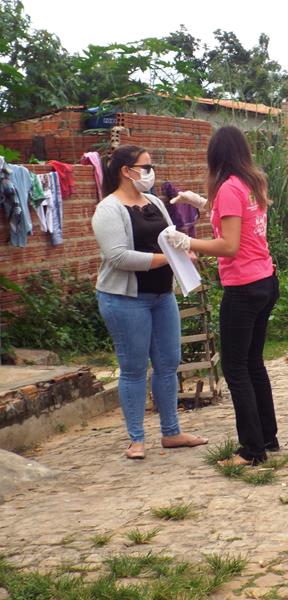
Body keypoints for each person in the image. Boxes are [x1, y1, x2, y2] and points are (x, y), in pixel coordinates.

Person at [166, 126, 279, 465]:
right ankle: (267, 438)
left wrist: (186, 242)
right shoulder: (251, 183)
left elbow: (228, 245)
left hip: (243, 287)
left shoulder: (229, 188)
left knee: (235, 367)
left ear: (215, 156)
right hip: (265, 279)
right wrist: (194, 199)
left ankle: (251, 450)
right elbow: (234, 221)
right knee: (254, 362)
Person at [92, 145, 208, 460]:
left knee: (168, 363)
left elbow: (170, 236)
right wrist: (166, 258)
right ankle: (136, 439)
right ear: (126, 171)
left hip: (161, 295)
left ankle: (171, 432)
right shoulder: (108, 209)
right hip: (124, 298)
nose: (150, 171)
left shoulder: (155, 201)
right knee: (132, 368)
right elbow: (118, 257)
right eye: (145, 166)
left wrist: (183, 250)